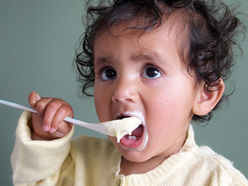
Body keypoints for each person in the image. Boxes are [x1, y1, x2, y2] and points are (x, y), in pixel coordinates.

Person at [11, 0, 248, 185]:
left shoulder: (218, 180)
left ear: (204, 95)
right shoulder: (78, 161)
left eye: (152, 71)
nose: (121, 92)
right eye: (109, 73)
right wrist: (44, 139)